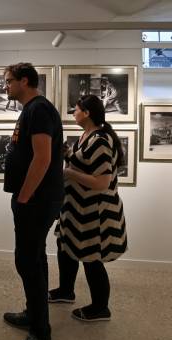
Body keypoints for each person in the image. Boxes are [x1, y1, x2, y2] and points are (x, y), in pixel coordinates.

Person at [1, 63, 64, 340]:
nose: (6, 87)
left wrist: (24, 197)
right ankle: (33, 313)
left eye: (9, 81)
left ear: (25, 80)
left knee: (26, 260)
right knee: (35, 258)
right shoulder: (33, 109)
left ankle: (41, 336)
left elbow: (43, 157)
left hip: (36, 201)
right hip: (34, 200)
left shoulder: (39, 110)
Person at [49, 94, 128, 321]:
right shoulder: (87, 136)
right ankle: (66, 291)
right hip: (76, 208)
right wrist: (67, 155)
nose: (73, 113)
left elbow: (101, 182)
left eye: (76, 109)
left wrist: (68, 172)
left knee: (92, 258)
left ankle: (100, 307)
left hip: (95, 212)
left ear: (87, 113)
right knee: (66, 248)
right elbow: (82, 163)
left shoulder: (101, 141)